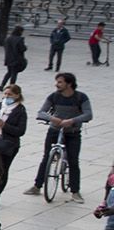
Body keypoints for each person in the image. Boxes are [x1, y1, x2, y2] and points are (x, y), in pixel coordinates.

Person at [26, 72, 93, 201]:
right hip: (55, 131)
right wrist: (53, 119)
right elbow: (41, 112)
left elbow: (88, 114)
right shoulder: (54, 97)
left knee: (73, 160)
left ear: (69, 84)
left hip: (72, 133)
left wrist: (72, 120)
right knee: (47, 157)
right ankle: (37, 186)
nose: (57, 84)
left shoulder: (81, 97)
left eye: (60, 82)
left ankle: (75, 191)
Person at [0, 25, 28, 91]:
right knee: (14, 74)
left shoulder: (8, 38)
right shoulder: (19, 39)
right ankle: (11, 87)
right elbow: (22, 49)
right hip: (17, 59)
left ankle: (2, 85)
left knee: (9, 72)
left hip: (9, 58)